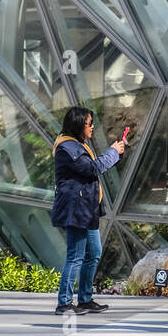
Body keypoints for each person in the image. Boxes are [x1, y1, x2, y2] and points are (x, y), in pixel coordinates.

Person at [52, 107, 125, 315]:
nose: (92, 127)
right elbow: (92, 168)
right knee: (75, 255)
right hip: (76, 209)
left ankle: (85, 299)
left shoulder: (78, 144)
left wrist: (115, 152)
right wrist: (113, 152)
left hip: (87, 209)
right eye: (89, 123)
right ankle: (64, 303)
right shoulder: (68, 147)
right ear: (78, 125)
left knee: (93, 252)